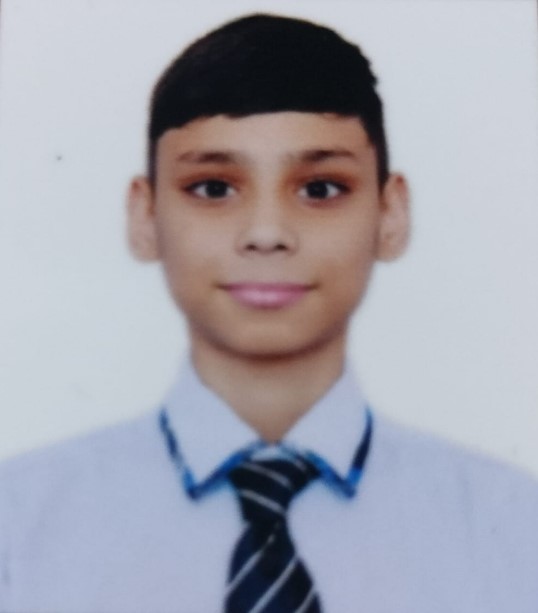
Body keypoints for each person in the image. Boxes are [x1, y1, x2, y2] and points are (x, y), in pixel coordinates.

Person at [1, 12, 537, 613]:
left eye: (320, 189)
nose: (266, 233)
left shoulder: (514, 532)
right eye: (213, 188)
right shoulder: (19, 531)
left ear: (391, 215)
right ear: (145, 217)